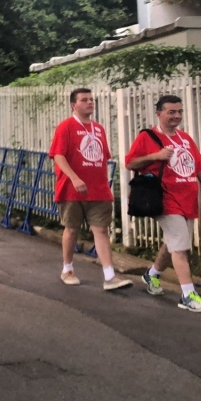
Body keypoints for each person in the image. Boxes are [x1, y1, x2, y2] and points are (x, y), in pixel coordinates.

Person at [125, 94, 201, 313]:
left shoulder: (185, 138)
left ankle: (152, 275)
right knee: (180, 247)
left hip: (187, 199)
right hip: (164, 198)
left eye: (179, 112)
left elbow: (199, 167)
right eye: (171, 112)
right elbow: (130, 162)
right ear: (159, 113)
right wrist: (156, 156)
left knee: (174, 242)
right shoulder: (147, 137)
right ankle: (188, 295)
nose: (176, 116)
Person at [49, 88, 131, 290]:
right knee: (72, 229)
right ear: (73, 105)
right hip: (71, 189)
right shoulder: (66, 127)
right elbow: (58, 156)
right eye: (84, 100)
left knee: (101, 229)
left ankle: (109, 276)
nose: (90, 102)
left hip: (98, 190)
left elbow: (102, 157)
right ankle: (67, 268)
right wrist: (74, 178)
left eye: (91, 99)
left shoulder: (98, 129)